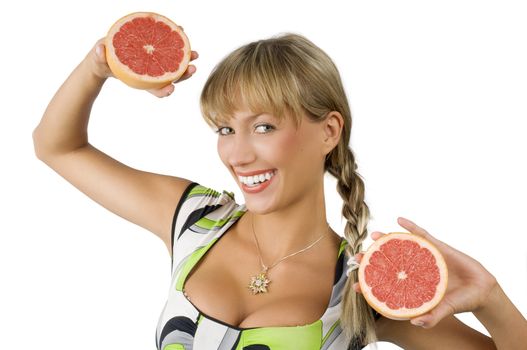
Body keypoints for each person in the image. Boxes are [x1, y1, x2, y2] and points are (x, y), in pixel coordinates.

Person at [32, 29, 526, 349]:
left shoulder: (363, 287)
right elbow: (58, 147)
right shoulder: (192, 219)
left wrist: (492, 299)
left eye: (264, 127)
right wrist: (99, 64)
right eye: (225, 129)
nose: (237, 154)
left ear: (329, 132)